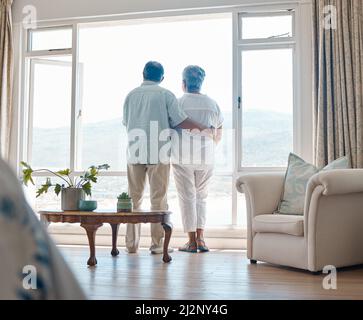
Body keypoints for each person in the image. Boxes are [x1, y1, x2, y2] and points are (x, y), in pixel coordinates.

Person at [123, 61, 210, 254]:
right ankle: (156, 245)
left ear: (143, 74)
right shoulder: (165, 95)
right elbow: (181, 121)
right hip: (159, 151)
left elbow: (125, 122)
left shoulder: (130, 95)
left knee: (133, 200)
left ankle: (131, 245)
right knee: (158, 200)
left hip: (134, 151)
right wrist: (204, 129)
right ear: (162, 78)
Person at [172, 65, 223, 253]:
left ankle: (191, 242)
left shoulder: (178, 103)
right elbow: (218, 133)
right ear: (201, 83)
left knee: (187, 197)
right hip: (206, 157)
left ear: (184, 83)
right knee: (201, 197)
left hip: (182, 157)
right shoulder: (212, 104)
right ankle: (201, 239)